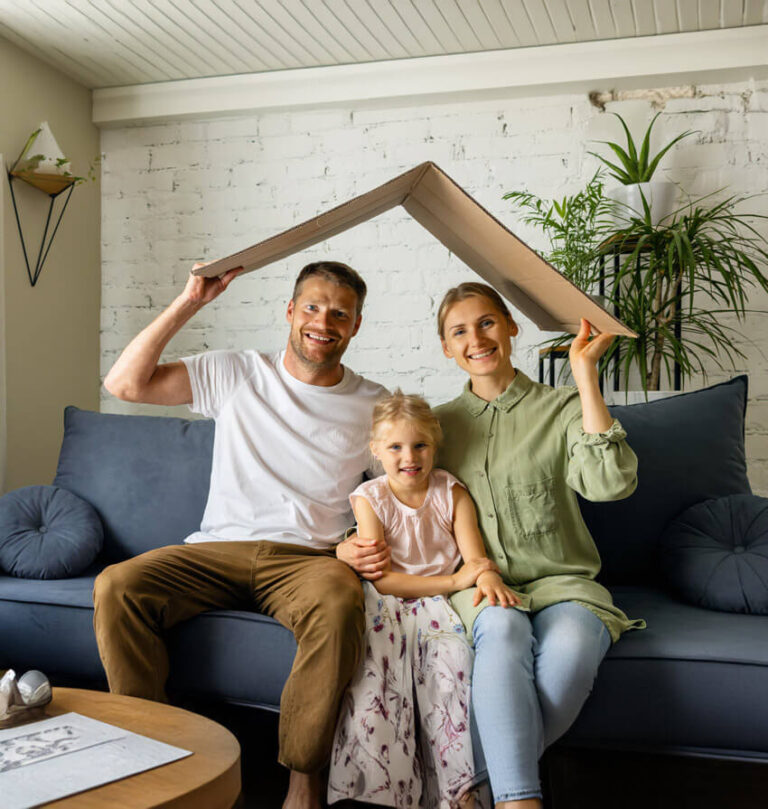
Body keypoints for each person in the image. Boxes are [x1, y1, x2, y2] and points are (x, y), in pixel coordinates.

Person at [94, 260, 390, 809]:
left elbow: (392, 498)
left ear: (355, 326)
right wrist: (192, 301)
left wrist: (354, 542)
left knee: (339, 596)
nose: (323, 321)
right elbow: (123, 384)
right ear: (290, 312)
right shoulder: (236, 372)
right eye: (312, 306)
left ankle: (304, 783)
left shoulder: (374, 404)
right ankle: (149, 752)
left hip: (307, 560)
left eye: (339, 313)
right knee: (117, 585)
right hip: (215, 550)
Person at [434, 282, 645, 809]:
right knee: (501, 631)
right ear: (445, 347)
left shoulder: (563, 407)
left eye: (486, 322)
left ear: (511, 327)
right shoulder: (436, 426)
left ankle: (474, 790)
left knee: (571, 655)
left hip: (565, 584)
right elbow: (396, 497)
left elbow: (610, 484)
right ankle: (520, 802)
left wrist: (585, 377)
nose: (475, 339)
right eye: (458, 331)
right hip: (481, 586)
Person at [328, 392, 521, 809]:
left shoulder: (451, 492)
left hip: (440, 608)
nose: (408, 457)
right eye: (395, 447)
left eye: (420, 445)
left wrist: (486, 577)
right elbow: (384, 578)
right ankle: (379, 793)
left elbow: (476, 560)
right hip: (387, 602)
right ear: (376, 450)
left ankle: (461, 794)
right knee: (374, 680)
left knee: (452, 671)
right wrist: (452, 580)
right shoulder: (370, 499)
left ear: (435, 446)